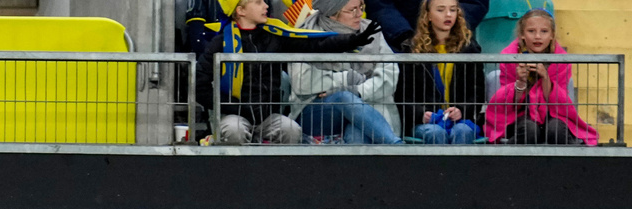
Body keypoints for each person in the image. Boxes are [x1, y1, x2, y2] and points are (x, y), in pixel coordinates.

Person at [196, 0, 381, 145]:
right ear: (240, 11)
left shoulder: (276, 35)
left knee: (291, 129)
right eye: (259, 2)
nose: (266, 6)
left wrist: (353, 40)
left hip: (267, 117)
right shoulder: (219, 43)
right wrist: (230, 107)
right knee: (233, 130)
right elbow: (200, 85)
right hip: (233, 115)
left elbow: (314, 44)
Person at [290, 0, 404, 144]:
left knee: (358, 129)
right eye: (352, 10)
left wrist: (359, 91)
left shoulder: (371, 31)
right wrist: (347, 80)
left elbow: (389, 75)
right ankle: (396, 147)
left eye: (361, 7)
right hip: (316, 113)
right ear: (333, 14)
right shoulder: (306, 34)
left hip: (367, 107)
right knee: (344, 98)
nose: (359, 14)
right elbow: (303, 82)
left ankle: (357, 165)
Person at [483, 9, 597, 145]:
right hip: (519, 113)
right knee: (529, 130)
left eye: (544, 31)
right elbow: (509, 104)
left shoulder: (561, 60)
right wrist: (520, 82)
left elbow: (561, 102)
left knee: (556, 130)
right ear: (522, 35)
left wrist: (545, 78)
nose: (538, 36)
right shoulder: (509, 57)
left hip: (554, 112)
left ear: (551, 35)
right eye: (531, 31)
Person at [400, 0, 485, 144]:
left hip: (460, 121)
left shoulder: (469, 48)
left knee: (463, 131)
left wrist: (461, 111)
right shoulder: (412, 49)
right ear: (428, 16)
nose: (448, 15)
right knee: (435, 132)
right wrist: (421, 114)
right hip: (424, 123)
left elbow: (477, 92)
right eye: (440, 10)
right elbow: (402, 94)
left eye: (453, 10)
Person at [366, 0, 490, 52]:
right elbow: (380, 5)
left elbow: (475, 4)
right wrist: (404, 36)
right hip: (402, 44)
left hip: (453, 41)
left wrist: (445, 25)